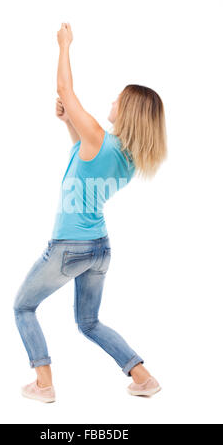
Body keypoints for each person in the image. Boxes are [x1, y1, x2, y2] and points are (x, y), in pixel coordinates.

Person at [13, 23, 167, 403]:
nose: (112, 101)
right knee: (89, 322)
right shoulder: (127, 157)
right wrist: (69, 121)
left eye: (118, 98)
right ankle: (143, 378)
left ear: (127, 111)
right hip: (98, 249)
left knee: (23, 306)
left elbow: (66, 90)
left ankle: (44, 383)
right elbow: (86, 158)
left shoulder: (99, 136)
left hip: (70, 246)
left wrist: (64, 45)